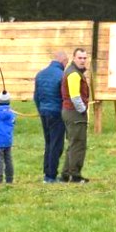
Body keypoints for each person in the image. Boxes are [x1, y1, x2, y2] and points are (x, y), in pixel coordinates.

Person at [61, 47, 93, 183]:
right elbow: (75, 96)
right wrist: (82, 110)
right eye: (80, 58)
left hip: (69, 111)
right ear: (74, 58)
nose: (82, 60)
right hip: (74, 112)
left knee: (73, 143)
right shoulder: (74, 74)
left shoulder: (73, 71)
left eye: (85, 58)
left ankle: (66, 174)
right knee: (78, 144)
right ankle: (75, 175)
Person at [33, 52, 67, 183]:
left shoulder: (40, 74)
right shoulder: (61, 75)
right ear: (63, 62)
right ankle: (51, 175)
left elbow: (36, 96)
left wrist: (40, 109)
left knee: (48, 142)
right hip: (57, 113)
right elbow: (63, 96)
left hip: (44, 112)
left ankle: (46, 172)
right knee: (56, 144)